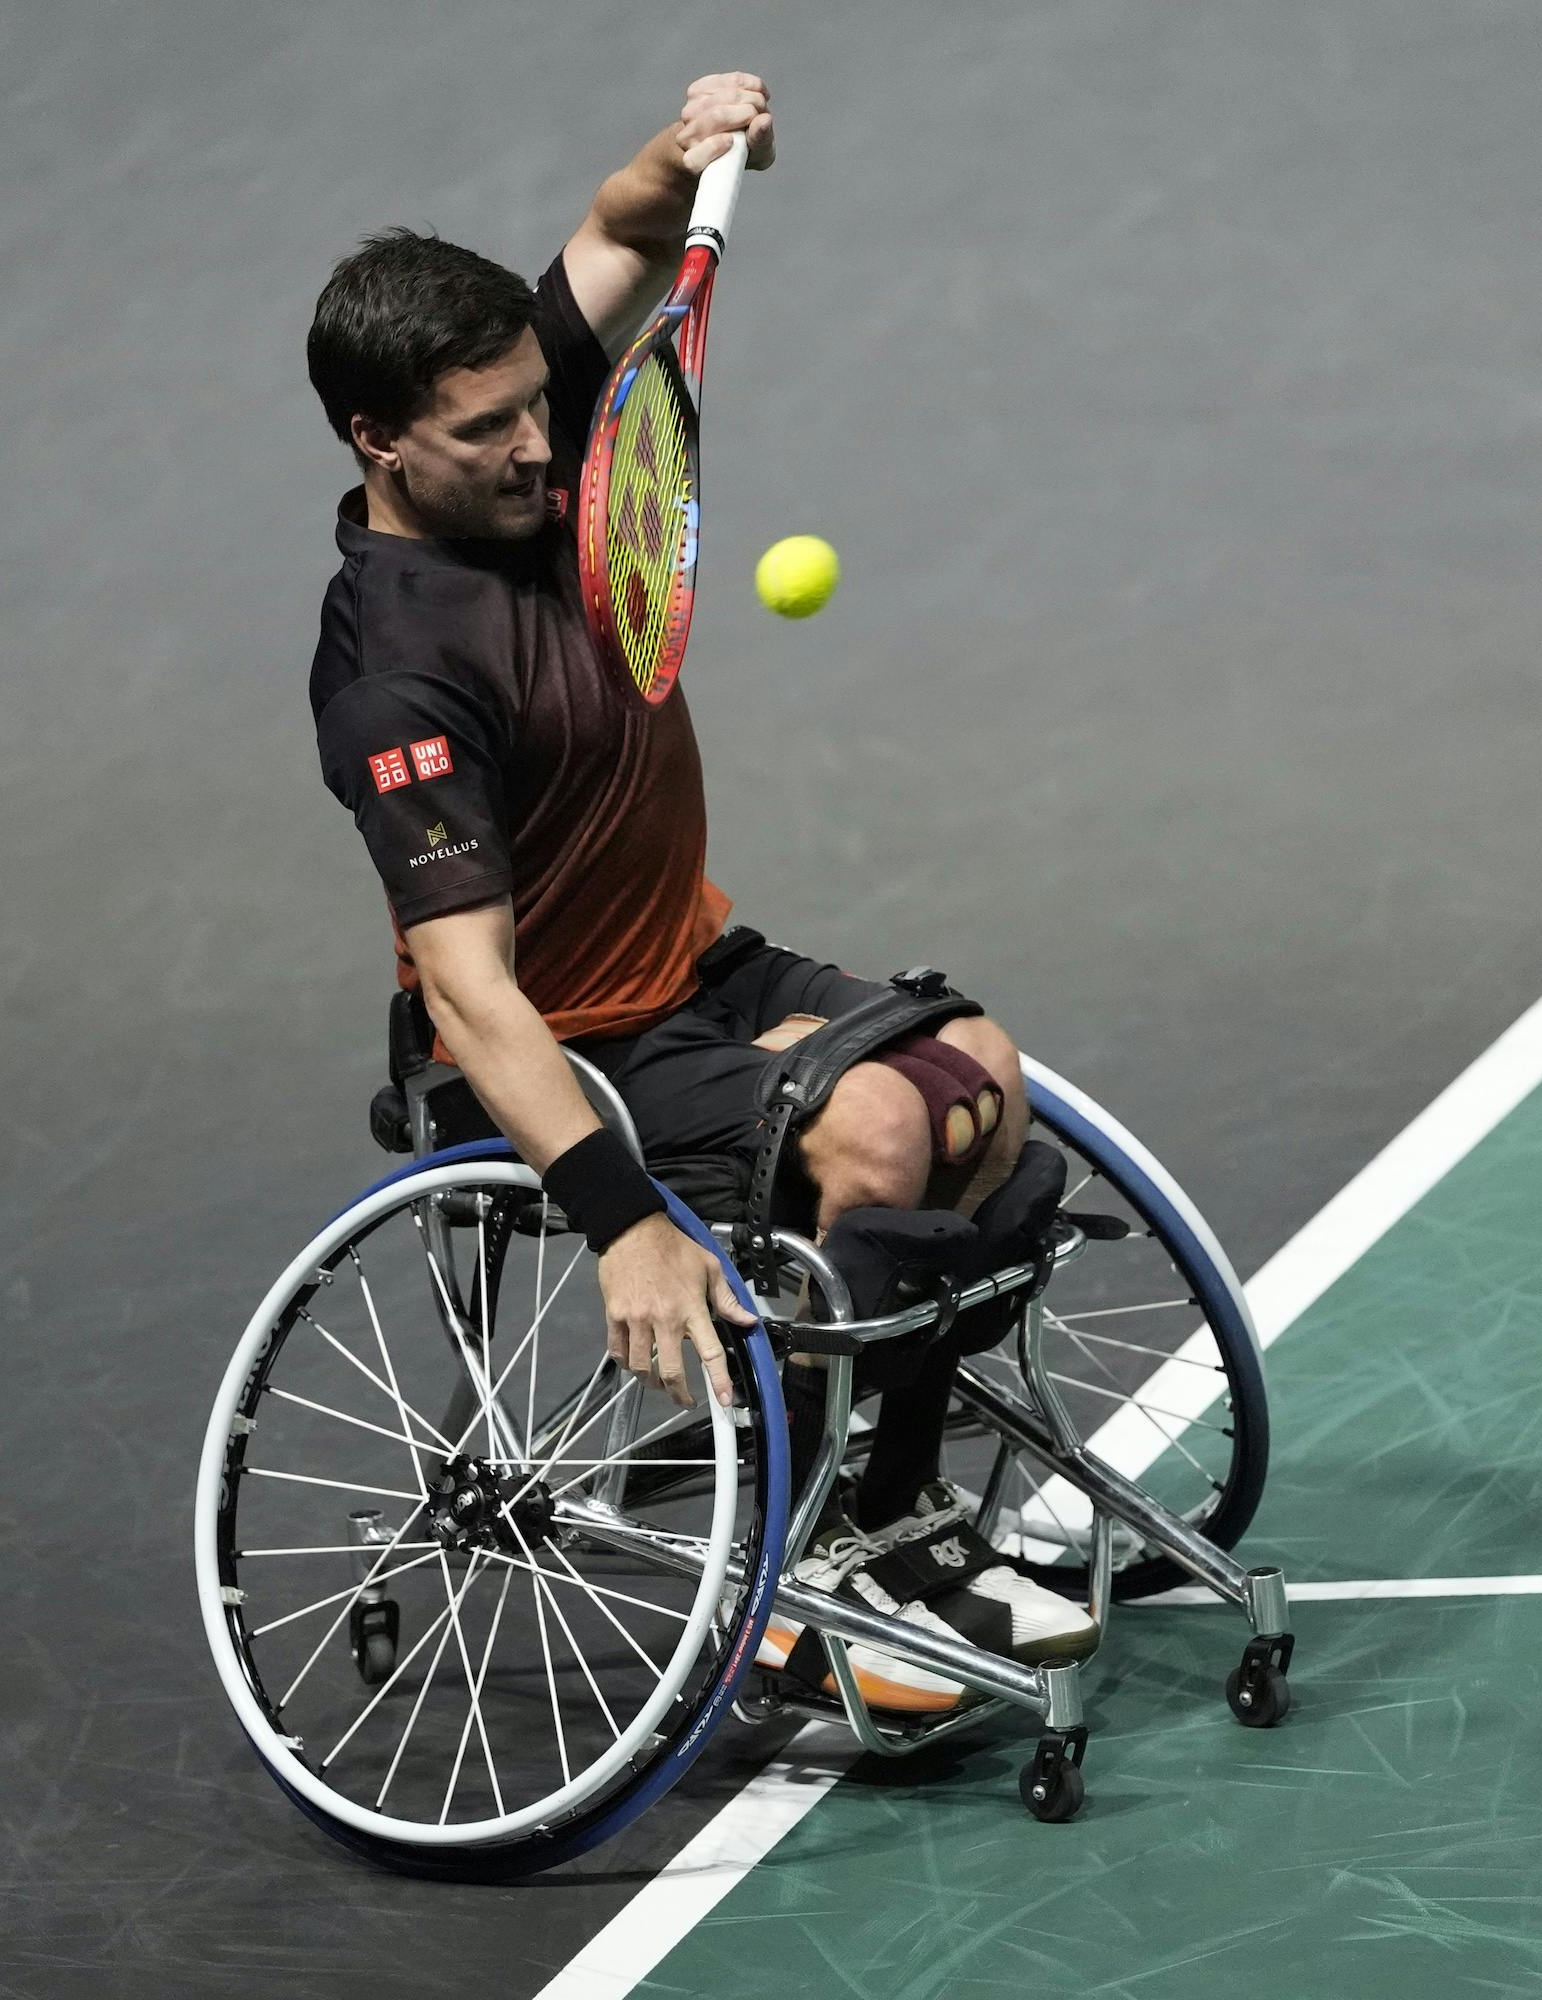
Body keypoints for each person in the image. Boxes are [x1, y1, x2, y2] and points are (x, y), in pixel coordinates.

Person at [303, 74, 1090, 1712]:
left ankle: (891, 1525)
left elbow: (615, 232)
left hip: (694, 964)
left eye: (538, 402)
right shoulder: (397, 679)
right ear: (382, 442)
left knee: (978, 1078)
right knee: (875, 1135)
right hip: (567, 1043)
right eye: (491, 430)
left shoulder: (513, 426)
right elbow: (468, 990)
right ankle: (807, 1593)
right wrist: (622, 1224)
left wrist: (686, 146)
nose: (542, 444)